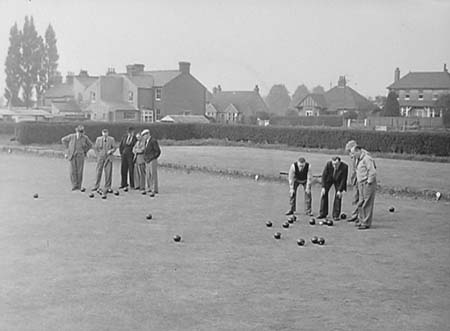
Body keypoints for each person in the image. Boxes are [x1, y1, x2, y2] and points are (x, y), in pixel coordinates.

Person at [351, 145, 377, 230]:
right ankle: (361, 220)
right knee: (361, 202)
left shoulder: (367, 158)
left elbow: (372, 171)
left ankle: (366, 223)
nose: (352, 155)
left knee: (367, 203)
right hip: (360, 183)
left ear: (358, 151)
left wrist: (369, 181)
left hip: (367, 183)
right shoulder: (358, 159)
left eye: (353, 153)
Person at [61, 125, 93, 191]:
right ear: (76, 131)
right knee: (72, 171)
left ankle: (79, 185)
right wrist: (68, 149)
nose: (80, 134)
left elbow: (90, 145)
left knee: (79, 171)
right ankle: (74, 185)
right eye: (79, 132)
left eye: (81, 132)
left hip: (80, 156)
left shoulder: (85, 138)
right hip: (72, 155)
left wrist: (85, 151)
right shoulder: (71, 136)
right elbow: (63, 140)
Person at [318, 156, 348, 221]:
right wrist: (323, 187)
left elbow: (343, 179)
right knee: (324, 194)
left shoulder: (344, 167)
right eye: (333, 164)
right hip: (329, 179)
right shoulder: (328, 164)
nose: (334, 165)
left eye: (336, 164)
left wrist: (340, 190)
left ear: (339, 162)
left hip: (338, 180)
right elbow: (324, 176)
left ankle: (336, 215)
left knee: (338, 196)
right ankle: (323, 213)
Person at [142, 129, 161, 197]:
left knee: (153, 174)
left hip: (152, 160)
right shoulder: (146, 142)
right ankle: (149, 188)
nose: (143, 137)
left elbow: (158, 151)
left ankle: (154, 189)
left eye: (144, 135)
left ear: (148, 134)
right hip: (147, 160)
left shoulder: (153, 141)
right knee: (148, 175)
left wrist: (152, 157)